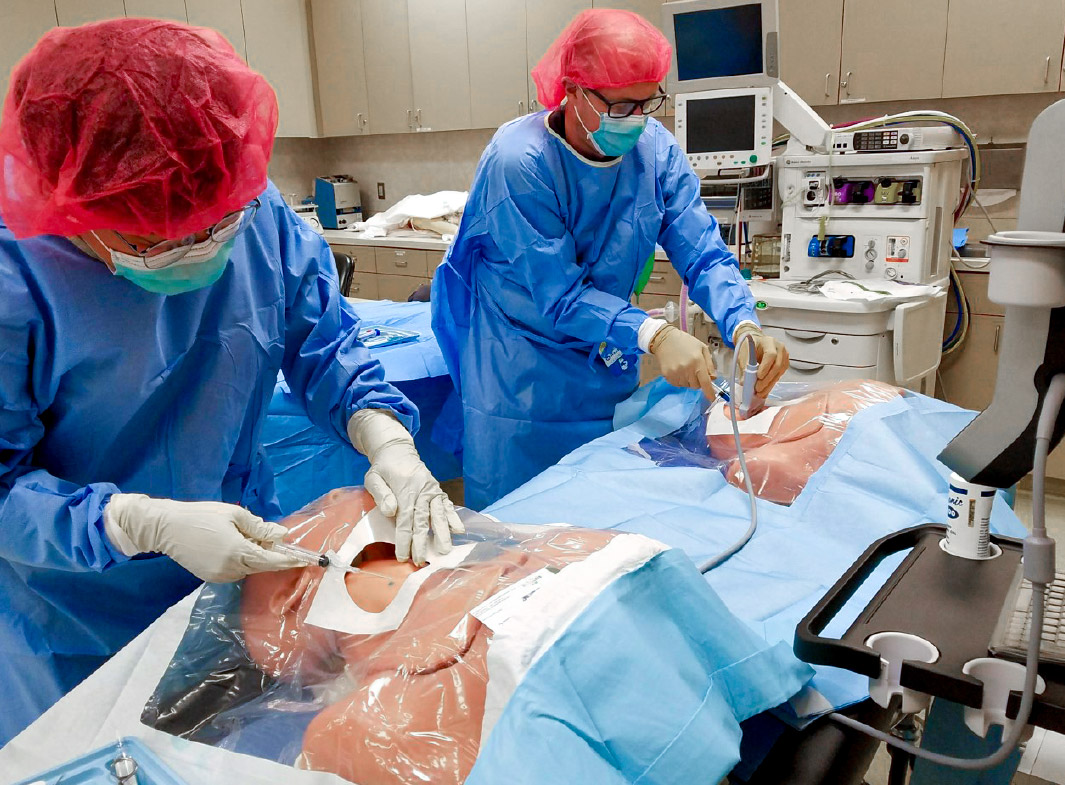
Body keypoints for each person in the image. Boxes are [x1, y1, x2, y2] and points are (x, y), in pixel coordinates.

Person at [0, 18, 460, 744]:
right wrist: (135, 522)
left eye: (219, 222)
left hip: (241, 579)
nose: (201, 244)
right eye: (156, 235)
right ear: (74, 206)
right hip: (77, 613)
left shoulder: (241, 202)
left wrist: (387, 439)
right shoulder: (14, 274)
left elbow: (325, 344)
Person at [432, 9, 790, 510]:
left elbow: (702, 251)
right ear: (572, 90)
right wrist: (654, 335)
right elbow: (559, 296)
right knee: (522, 537)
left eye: (649, 103)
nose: (638, 119)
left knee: (600, 519)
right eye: (622, 105)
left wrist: (743, 322)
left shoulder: (654, 151)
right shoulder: (520, 162)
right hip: (523, 382)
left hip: (603, 364)